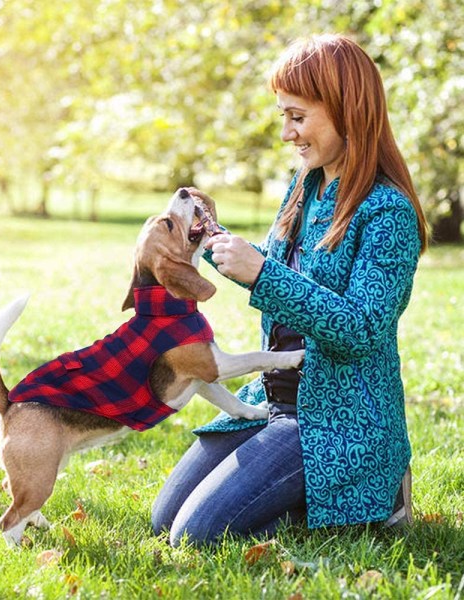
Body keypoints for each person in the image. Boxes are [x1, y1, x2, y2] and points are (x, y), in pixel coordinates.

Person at [151, 33, 428, 546]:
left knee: (196, 535)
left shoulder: (388, 212)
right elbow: (283, 272)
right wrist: (218, 243)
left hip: (335, 422)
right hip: (272, 400)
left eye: (296, 117)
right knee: (164, 521)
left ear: (347, 111)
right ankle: (311, 499)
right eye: (283, 116)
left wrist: (262, 274)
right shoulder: (307, 184)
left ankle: (371, 492)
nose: (286, 133)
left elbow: (362, 330)